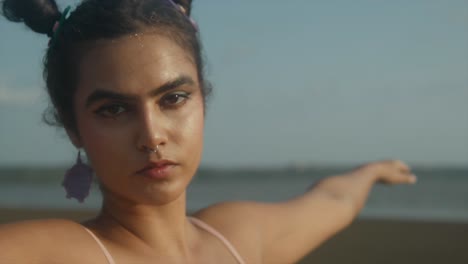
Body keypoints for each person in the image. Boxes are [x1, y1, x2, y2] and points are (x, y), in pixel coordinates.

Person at [0, 0, 417, 263]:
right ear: (73, 125)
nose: (151, 135)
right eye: (113, 109)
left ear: (203, 98)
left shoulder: (238, 236)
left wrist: (372, 172)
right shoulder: (52, 253)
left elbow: (332, 198)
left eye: (173, 99)